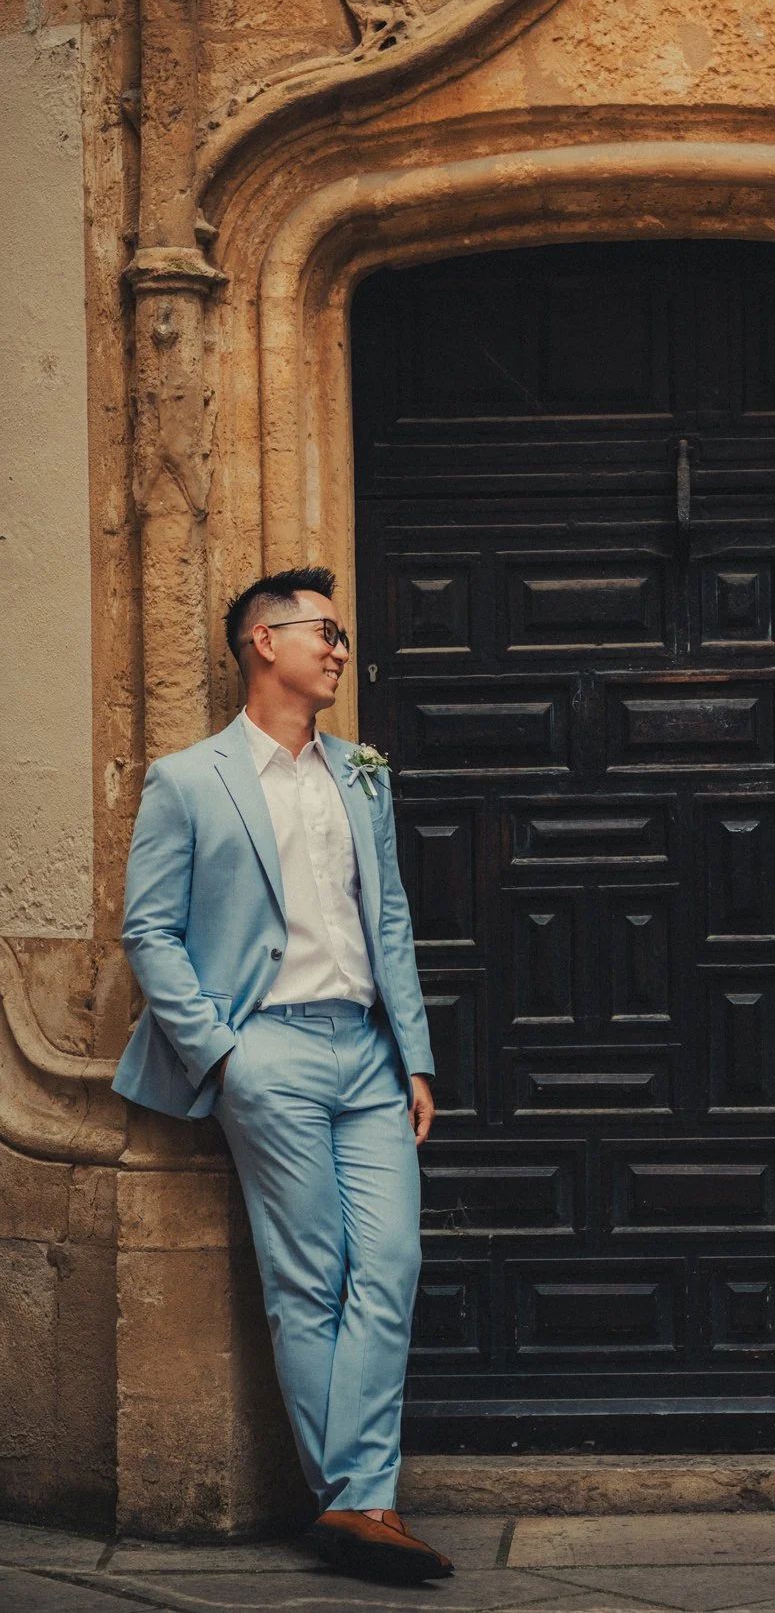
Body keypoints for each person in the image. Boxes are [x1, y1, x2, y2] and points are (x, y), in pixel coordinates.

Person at [112, 567, 451, 1584]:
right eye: (326, 633)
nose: (341, 650)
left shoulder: (361, 771)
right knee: (307, 1280)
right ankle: (365, 1503)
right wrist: (222, 1050)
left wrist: (416, 1052)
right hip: (269, 1051)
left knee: (387, 1266)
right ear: (263, 643)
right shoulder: (190, 779)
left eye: (340, 637)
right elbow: (149, 930)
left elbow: (384, 914)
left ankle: (351, 1508)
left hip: (366, 1051)